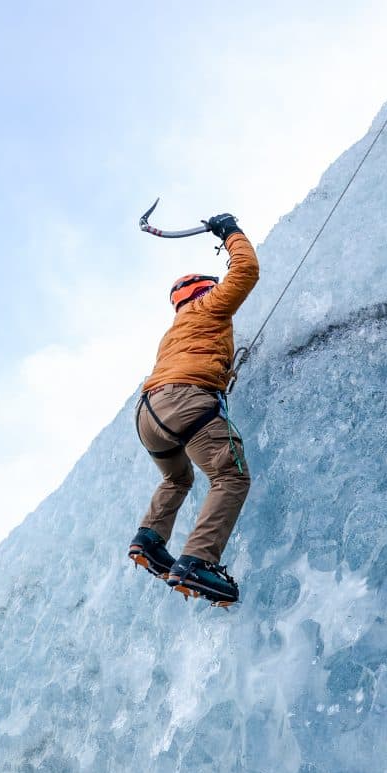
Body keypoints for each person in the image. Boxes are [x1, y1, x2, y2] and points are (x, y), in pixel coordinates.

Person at [128, 213, 259, 606]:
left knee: (178, 479)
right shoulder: (208, 307)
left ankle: (149, 539)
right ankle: (198, 561)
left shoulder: (175, 331)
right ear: (204, 291)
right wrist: (230, 231)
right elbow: (247, 270)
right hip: (186, 403)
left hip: (150, 414)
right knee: (230, 476)